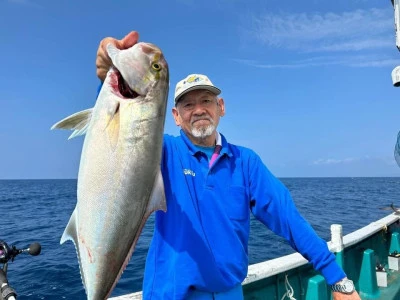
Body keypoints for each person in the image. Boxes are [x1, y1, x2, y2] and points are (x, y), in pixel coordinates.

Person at [96, 31, 361, 300]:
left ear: (221, 107)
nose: (198, 109)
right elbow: (116, 139)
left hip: (229, 293)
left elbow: (287, 217)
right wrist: (109, 79)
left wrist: (336, 277)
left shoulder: (246, 162)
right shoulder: (163, 152)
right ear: (176, 116)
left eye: (206, 101)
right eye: (188, 104)